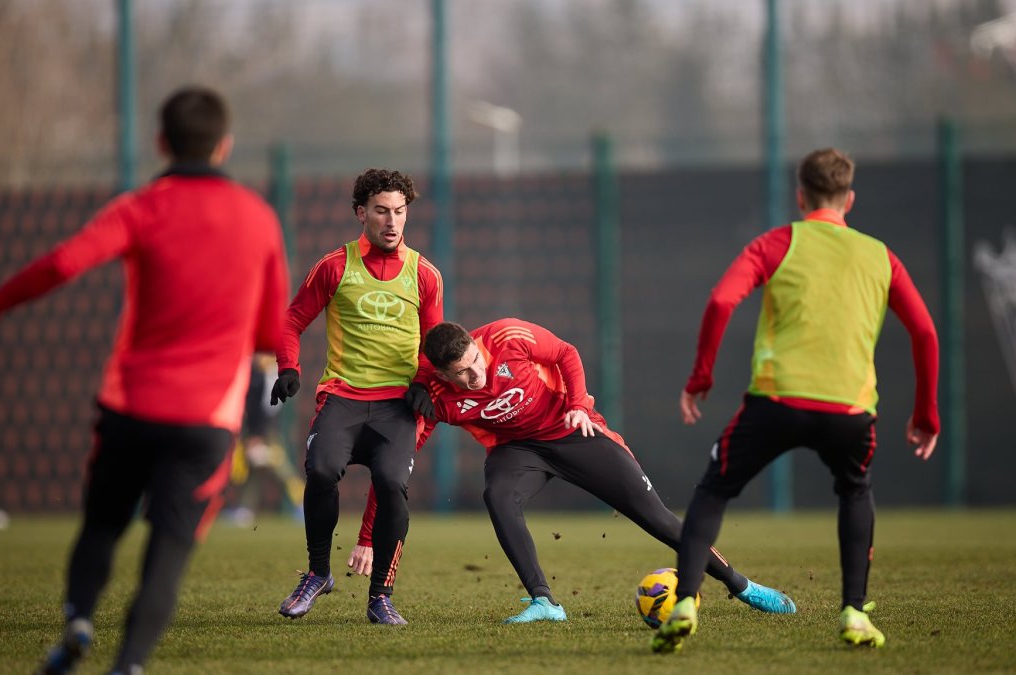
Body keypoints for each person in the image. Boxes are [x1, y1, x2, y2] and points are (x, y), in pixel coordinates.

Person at [0, 86, 290, 674]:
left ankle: (79, 618)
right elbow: (268, 334)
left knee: (102, 525)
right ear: (224, 145)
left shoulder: (141, 207)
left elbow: (60, 264)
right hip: (205, 421)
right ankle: (127, 663)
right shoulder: (257, 218)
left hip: (130, 407)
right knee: (169, 550)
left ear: (160, 141)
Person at [651, 148, 940, 654]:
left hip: (776, 403)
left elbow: (721, 300)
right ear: (849, 199)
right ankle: (853, 611)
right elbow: (924, 331)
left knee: (714, 490)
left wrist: (701, 377)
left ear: (801, 195)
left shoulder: (778, 242)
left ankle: (687, 601)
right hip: (850, 411)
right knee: (854, 490)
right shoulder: (879, 255)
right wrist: (926, 413)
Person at [349, 318, 796, 624]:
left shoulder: (508, 337)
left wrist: (580, 406)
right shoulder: (439, 400)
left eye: (476, 364)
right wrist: (369, 535)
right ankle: (544, 601)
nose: (475, 378)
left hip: (570, 430)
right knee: (499, 495)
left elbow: (566, 353)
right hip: (517, 450)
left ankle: (743, 587)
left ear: (477, 345)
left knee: (657, 518)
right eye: (462, 375)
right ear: (442, 374)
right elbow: (394, 469)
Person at [270, 168, 443, 625]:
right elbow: (290, 322)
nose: (392, 222)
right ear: (360, 213)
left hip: (396, 407)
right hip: (343, 398)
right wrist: (288, 367)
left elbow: (435, 343)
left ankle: (380, 596)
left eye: (400, 212)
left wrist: (425, 384)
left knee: (391, 484)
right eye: (382, 211)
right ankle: (318, 573)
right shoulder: (334, 266)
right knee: (322, 470)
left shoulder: (425, 274)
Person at [226, 355, 305, 526]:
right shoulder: (255, 375)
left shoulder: (270, 377)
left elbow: (269, 409)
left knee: (280, 468)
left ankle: (301, 503)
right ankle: (245, 509)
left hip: (267, 434)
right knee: (254, 468)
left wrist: (257, 435)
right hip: (257, 432)